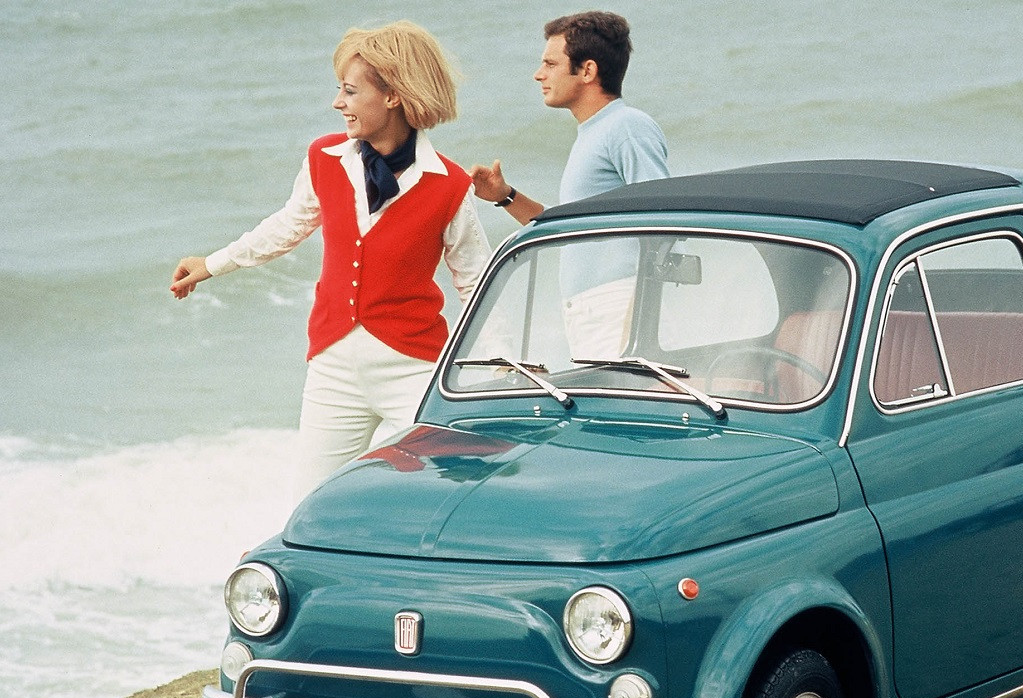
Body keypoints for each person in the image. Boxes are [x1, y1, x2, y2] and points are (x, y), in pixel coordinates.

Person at [170, 22, 490, 500]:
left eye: (349, 91)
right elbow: (290, 224)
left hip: (415, 368)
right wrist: (214, 263)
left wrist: (501, 369)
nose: (337, 103)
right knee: (311, 502)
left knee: (449, 492)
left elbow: (477, 283)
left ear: (393, 96)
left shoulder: (449, 184)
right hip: (333, 366)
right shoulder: (324, 157)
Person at [469, 11, 668, 358]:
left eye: (550, 64)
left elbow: (665, 221)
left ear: (587, 71)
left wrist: (638, 318)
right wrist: (505, 196)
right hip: (591, 308)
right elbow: (567, 227)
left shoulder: (626, 126)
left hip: (618, 305)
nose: (539, 74)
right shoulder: (594, 132)